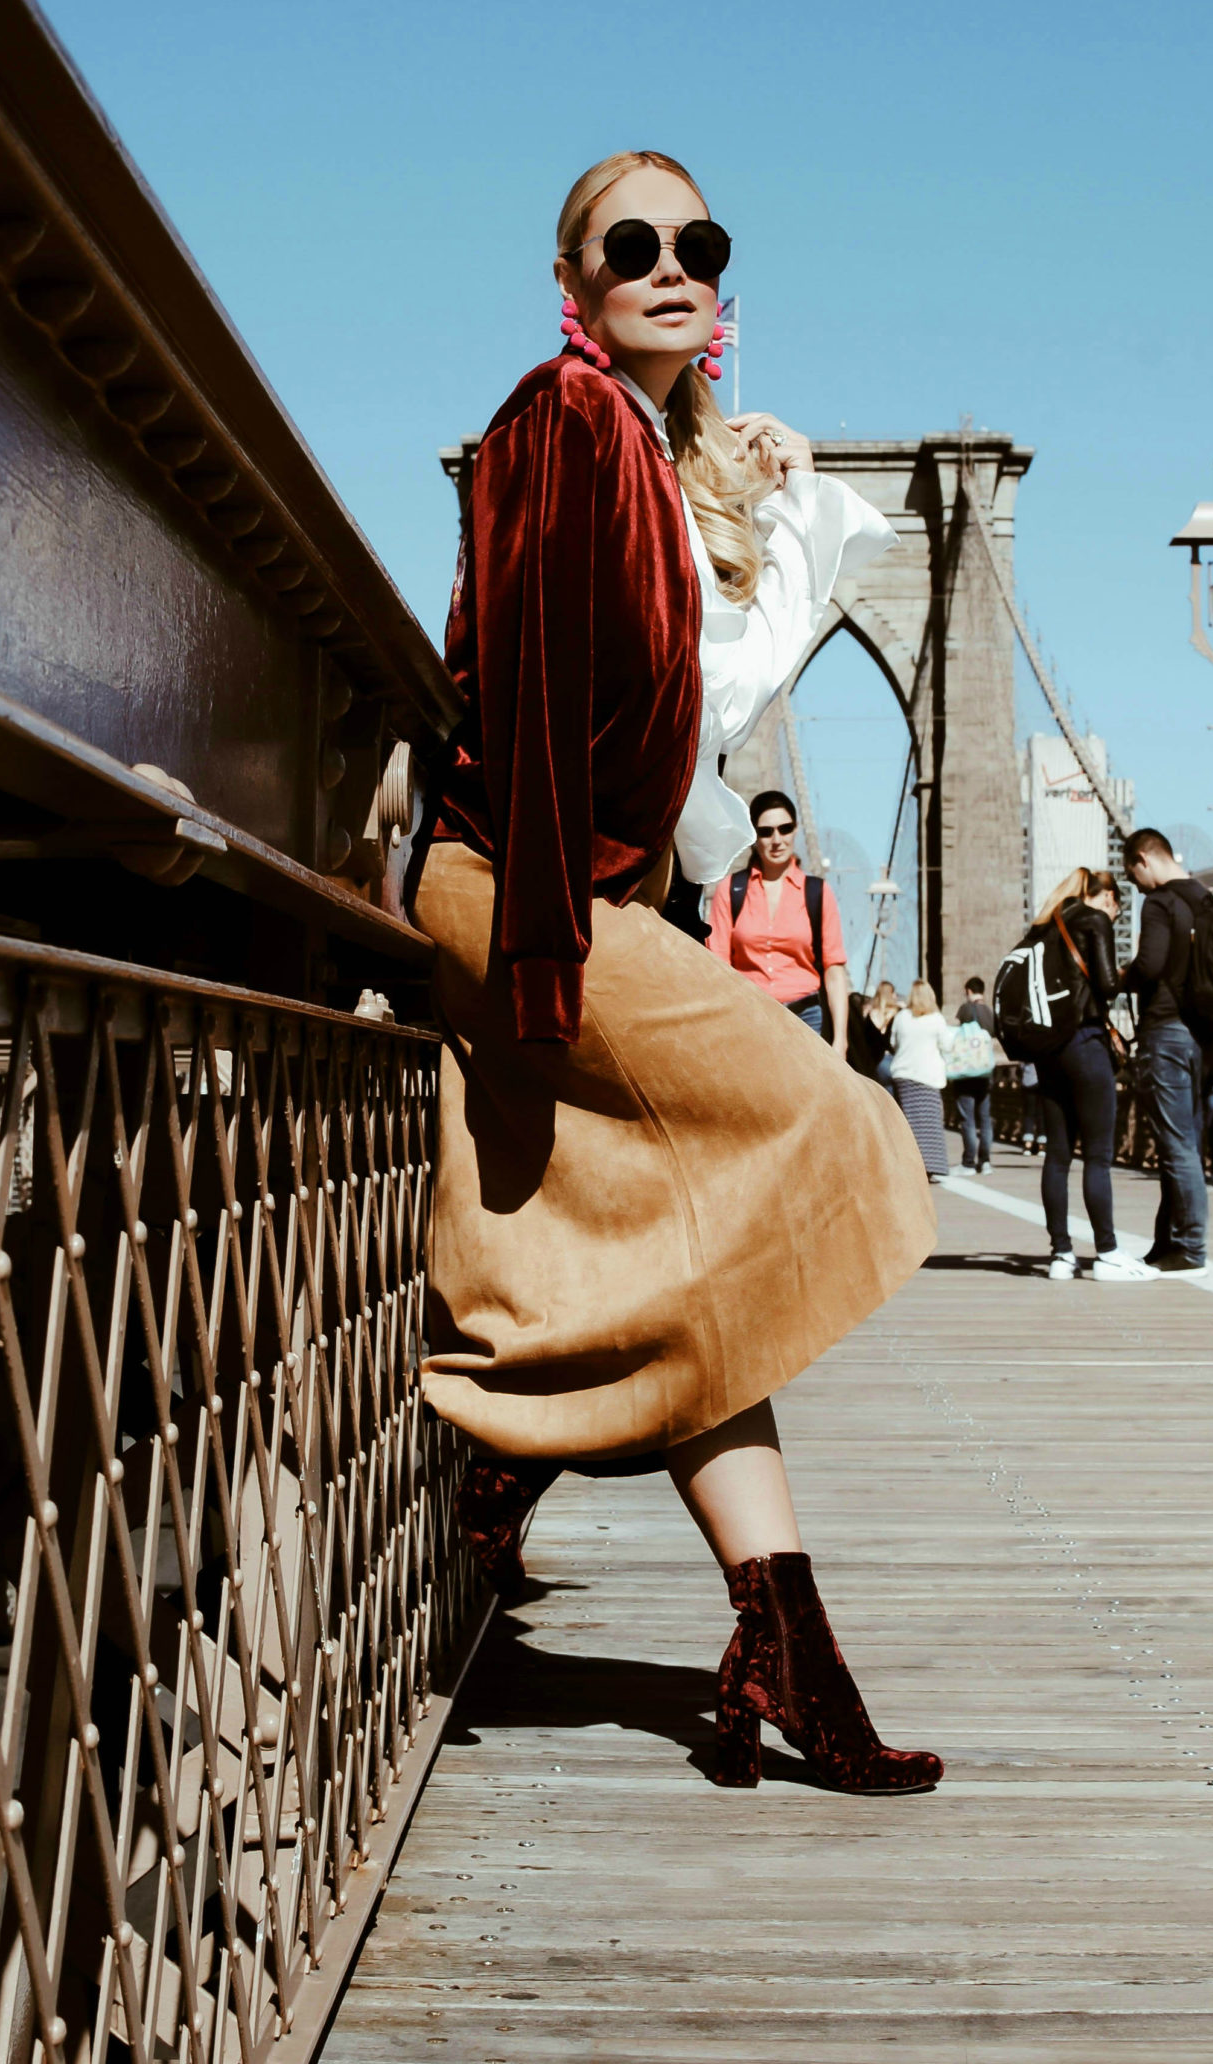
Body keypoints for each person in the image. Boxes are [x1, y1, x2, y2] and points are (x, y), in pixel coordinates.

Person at [414, 149, 942, 1794]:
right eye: (625, 242)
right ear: (572, 284)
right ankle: (500, 1458)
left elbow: (702, 666)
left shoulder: (646, 450)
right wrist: (559, 955)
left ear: (721, 288)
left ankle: (786, 1655)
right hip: (520, 891)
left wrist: (756, 475)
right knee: (832, 1128)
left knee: (701, 1275)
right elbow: (531, 684)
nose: (667, 260)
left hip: (573, 898)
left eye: (695, 242)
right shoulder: (553, 422)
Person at [1027, 868, 1154, 1283]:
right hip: (1085, 1043)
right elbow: (1107, 984)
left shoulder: (1043, 928)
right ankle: (1107, 1252)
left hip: (1049, 1052)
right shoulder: (1095, 920)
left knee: (1058, 1155)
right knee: (1097, 1156)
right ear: (1108, 899)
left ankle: (1060, 1255)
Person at [1121, 827, 1213, 1278]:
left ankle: (1191, 1247)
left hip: (1167, 1030)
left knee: (1176, 1146)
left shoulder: (1159, 903)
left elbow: (1151, 964)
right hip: (1206, 1038)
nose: (1135, 885)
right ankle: (1167, 1242)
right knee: (1183, 1144)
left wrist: (1122, 978)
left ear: (1144, 858)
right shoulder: (1206, 900)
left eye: (1132, 874)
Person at [707, 791, 849, 1036]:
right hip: (748, 1018)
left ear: (795, 830)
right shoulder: (730, 891)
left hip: (807, 1020)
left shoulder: (818, 893)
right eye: (766, 831)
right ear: (753, 837)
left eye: (785, 829)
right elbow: (717, 966)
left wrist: (840, 1041)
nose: (776, 839)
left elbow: (834, 971)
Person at [888, 980, 950, 1179]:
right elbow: (947, 1045)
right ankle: (929, 1166)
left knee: (907, 1123)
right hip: (928, 1076)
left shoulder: (902, 1017)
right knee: (929, 1124)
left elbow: (893, 1042)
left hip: (904, 1074)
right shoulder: (937, 1019)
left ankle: (907, 1164)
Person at [951, 974, 996, 1175]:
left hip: (966, 1072)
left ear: (968, 991)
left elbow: (960, 1034)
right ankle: (985, 1161)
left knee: (967, 1118)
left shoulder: (965, 1009)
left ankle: (969, 1162)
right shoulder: (989, 1012)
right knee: (985, 1118)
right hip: (985, 1072)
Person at [1019, 1062, 1045, 1154]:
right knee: (1041, 1114)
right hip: (1042, 1082)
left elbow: (1021, 1066)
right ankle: (1042, 1146)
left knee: (1028, 1114)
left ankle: (1028, 1145)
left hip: (1028, 1082)